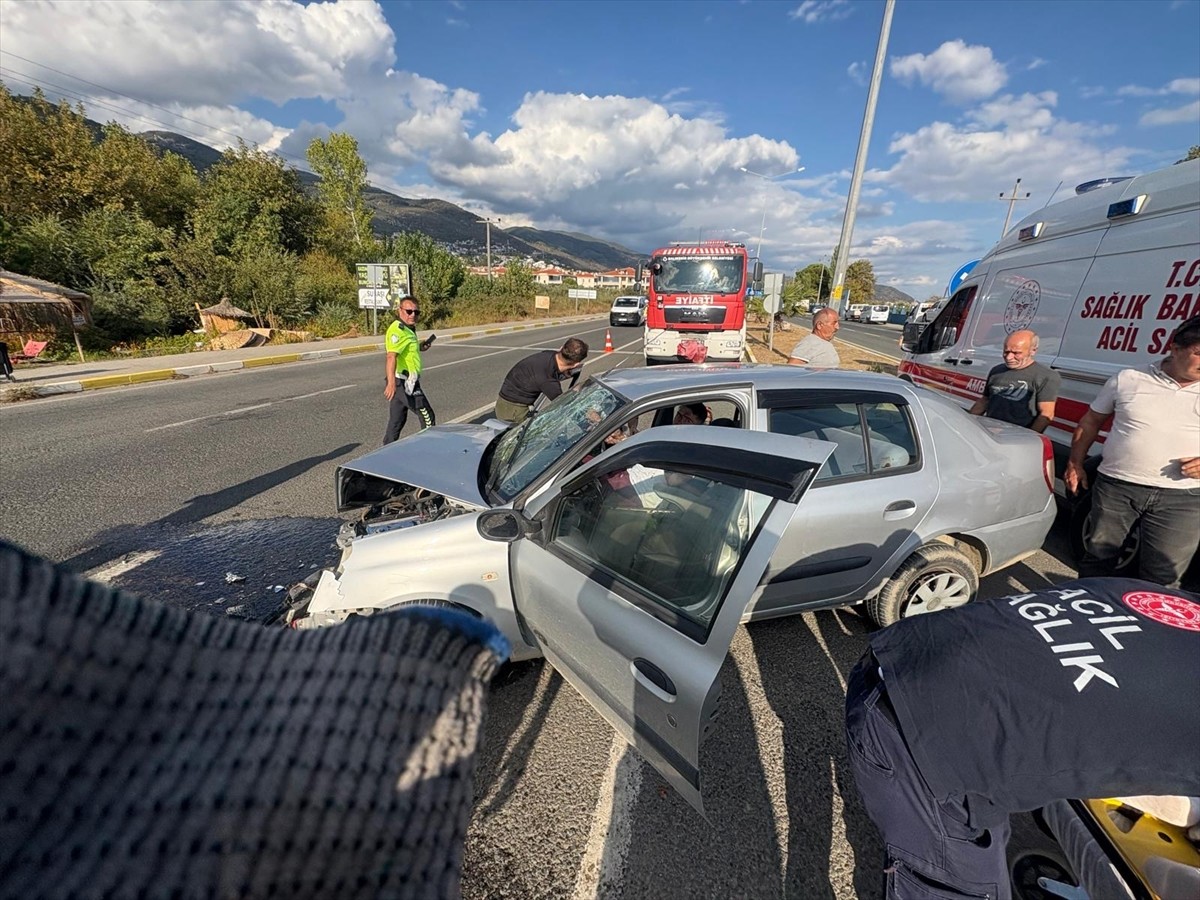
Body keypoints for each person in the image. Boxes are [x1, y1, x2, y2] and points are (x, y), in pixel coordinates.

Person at [845, 577, 1200, 900]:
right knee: (958, 885)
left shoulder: (1173, 602)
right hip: (918, 739)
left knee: (983, 836)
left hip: (909, 651)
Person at [1064, 315, 1200, 588]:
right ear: (1174, 349)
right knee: (1097, 560)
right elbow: (1091, 421)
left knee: (1163, 577)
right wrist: (1075, 463)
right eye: (1199, 353)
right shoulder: (1129, 378)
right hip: (1117, 487)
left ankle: (1148, 629)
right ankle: (1087, 618)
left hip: (1183, 499)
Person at [968, 329, 1060, 431]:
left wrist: (1028, 438)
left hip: (1016, 435)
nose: (1009, 357)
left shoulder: (1046, 376)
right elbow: (984, 401)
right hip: (989, 431)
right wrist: (968, 423)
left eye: (1016, 353)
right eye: (1006, 351)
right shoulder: (996, 371)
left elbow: (1046, 414)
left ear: (1033, 351)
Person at [383, 292, 436, 444]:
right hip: (404, 382)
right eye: (409, 311)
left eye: (416, 312)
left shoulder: (408, 329)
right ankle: (427, 450)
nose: (412, 315)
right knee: (428, 417)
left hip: (405, 381)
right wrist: (391, 383)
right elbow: (391, 356)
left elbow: (406, 351)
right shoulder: (398, 330)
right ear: (400, 311)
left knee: (397, 421)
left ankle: (385, 454)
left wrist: (421, 347)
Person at [494, 338, 589, 423]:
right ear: (575, 364)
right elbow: (564, 404)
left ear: (561, 348)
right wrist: (588, 412)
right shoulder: (548, 380)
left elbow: (553, 371)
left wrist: (566, 373)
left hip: (505, 400)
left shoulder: (549, 355)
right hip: (512, 411)